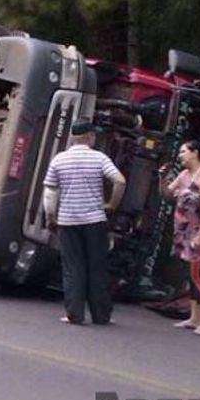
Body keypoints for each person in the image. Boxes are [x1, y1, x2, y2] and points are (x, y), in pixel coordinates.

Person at [43, 122, 126, 325]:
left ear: (72, 137)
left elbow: (50, 193)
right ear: (90, 137)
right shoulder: (99, 158)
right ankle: (101, 316)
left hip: (68, 221)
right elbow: (120, 181)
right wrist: (112, 205)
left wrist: (51, 217)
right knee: (97, 267)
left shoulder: (59, 160)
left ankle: (75, 314)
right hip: (94, 221)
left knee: (73, 268)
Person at [159, 140, 200, 336]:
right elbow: (168, 195)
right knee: (189, 274)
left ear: (195, 153)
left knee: (197, 275)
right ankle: (194, 317)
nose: (180, 156)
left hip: (198, 233)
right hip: (184, 233)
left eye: (183, 152)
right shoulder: (185, 175)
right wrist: (162, 178)